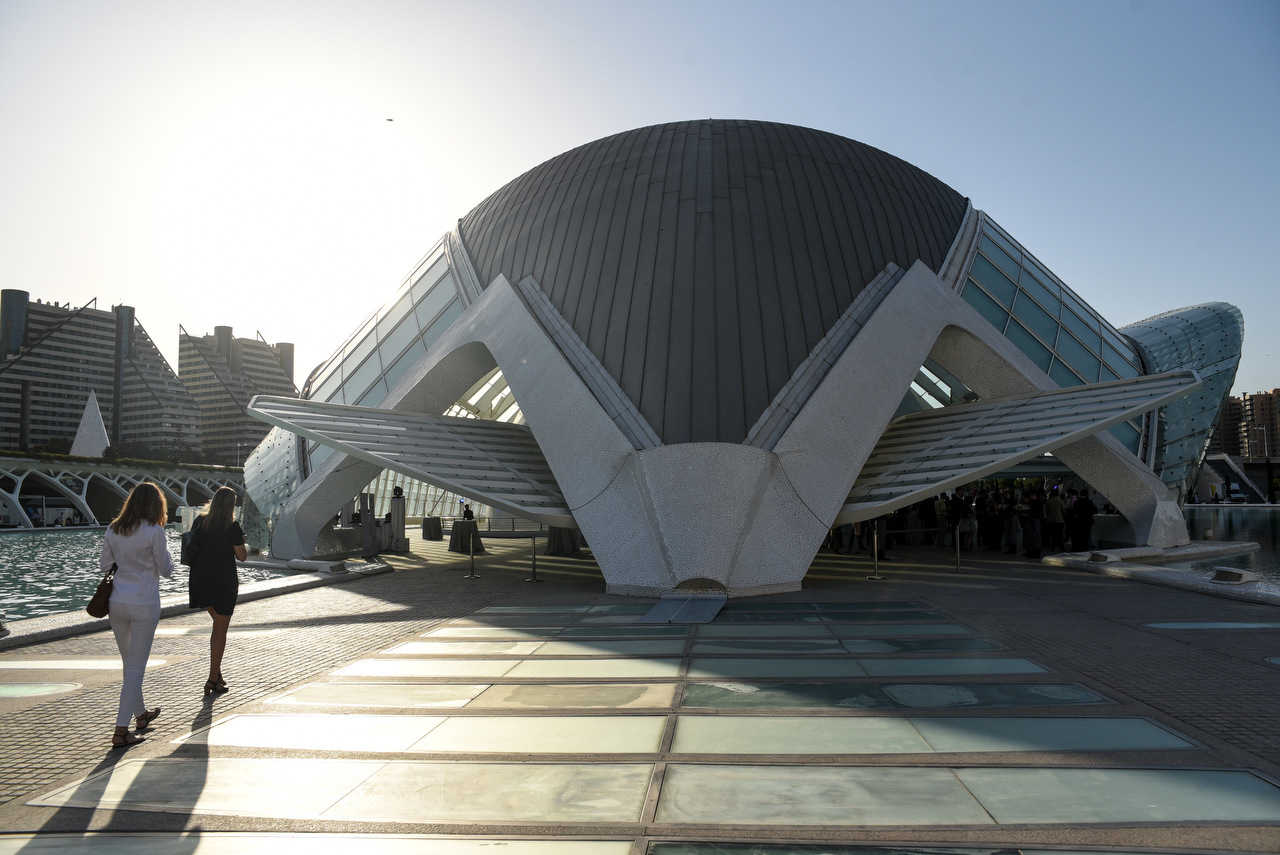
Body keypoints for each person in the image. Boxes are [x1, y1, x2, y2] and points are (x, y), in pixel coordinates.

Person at [99, 482, 171, 747]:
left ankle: (140, 715)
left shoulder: (113, 529)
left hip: (117, 602)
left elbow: (105, 565)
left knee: (130, 663)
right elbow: (166, 569)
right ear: (156, 505)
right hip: (144, 603)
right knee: (135, 668)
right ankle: (120, 730)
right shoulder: (154, 531)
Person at [186, 486, 247, 697]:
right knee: (220, 631)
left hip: (200, 582)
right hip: (223, 583)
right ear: (231, 506)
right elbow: (242, 556)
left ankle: (218, 677)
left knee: (217, 627)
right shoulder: (232, 527)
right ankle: (212, 679)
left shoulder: (199, 522)